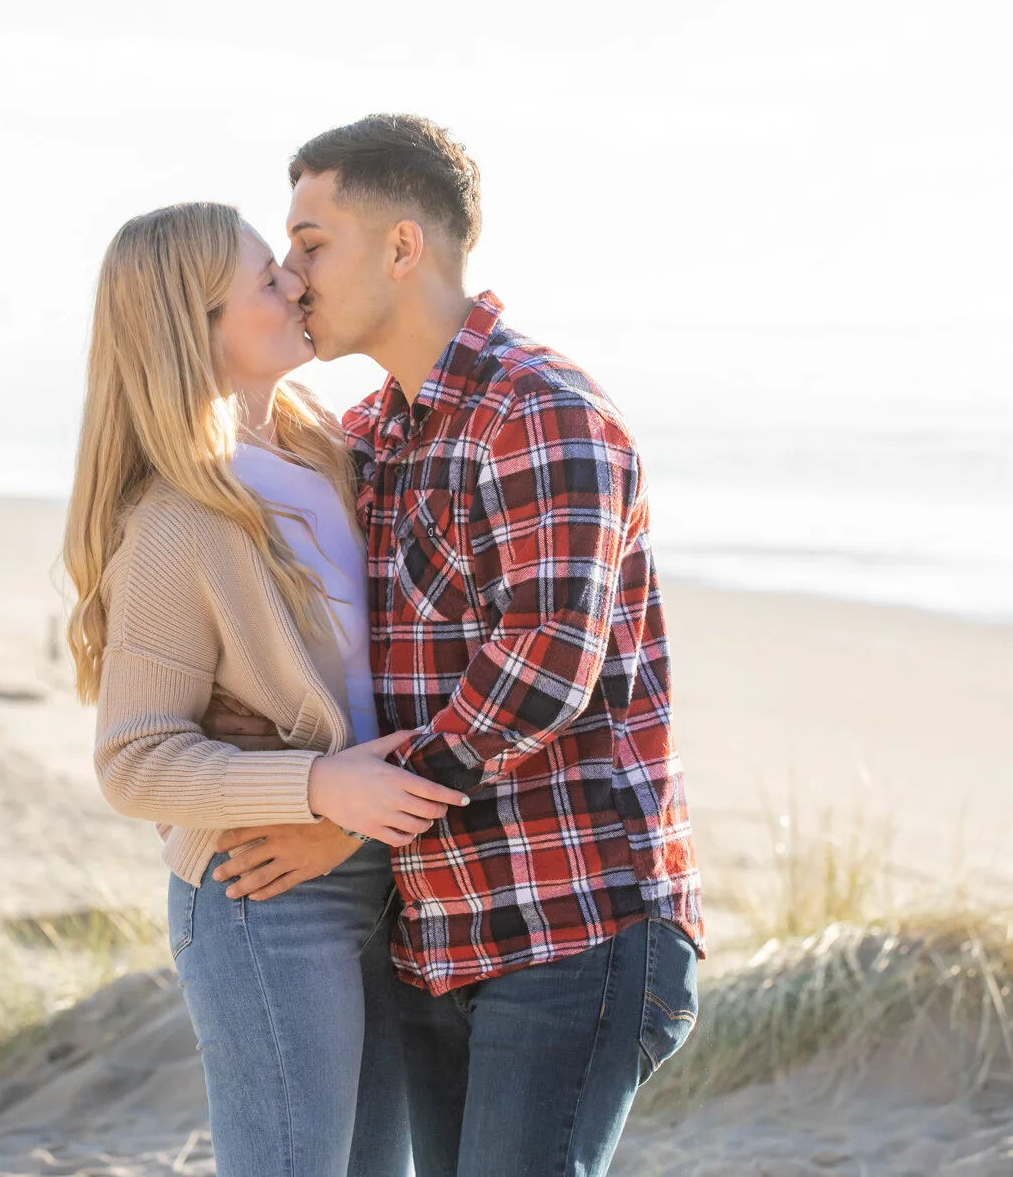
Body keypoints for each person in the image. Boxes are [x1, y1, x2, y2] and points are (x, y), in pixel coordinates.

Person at [210, 115, 706, 1177]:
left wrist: (348, 824)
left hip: (571, 921)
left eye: (310, 243)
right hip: (439, 929)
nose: (292, 277)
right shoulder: (374, 434)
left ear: (401, 246)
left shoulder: (539, 413)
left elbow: (540, 668)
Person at [62, 201, 464, 1177]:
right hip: (262, 896)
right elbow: (132, 759)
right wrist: (317, 787)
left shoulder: (330, 456)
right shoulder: (175, 521)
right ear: (195, 326)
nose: (293, 280)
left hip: (377, 875)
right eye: (263, 278)